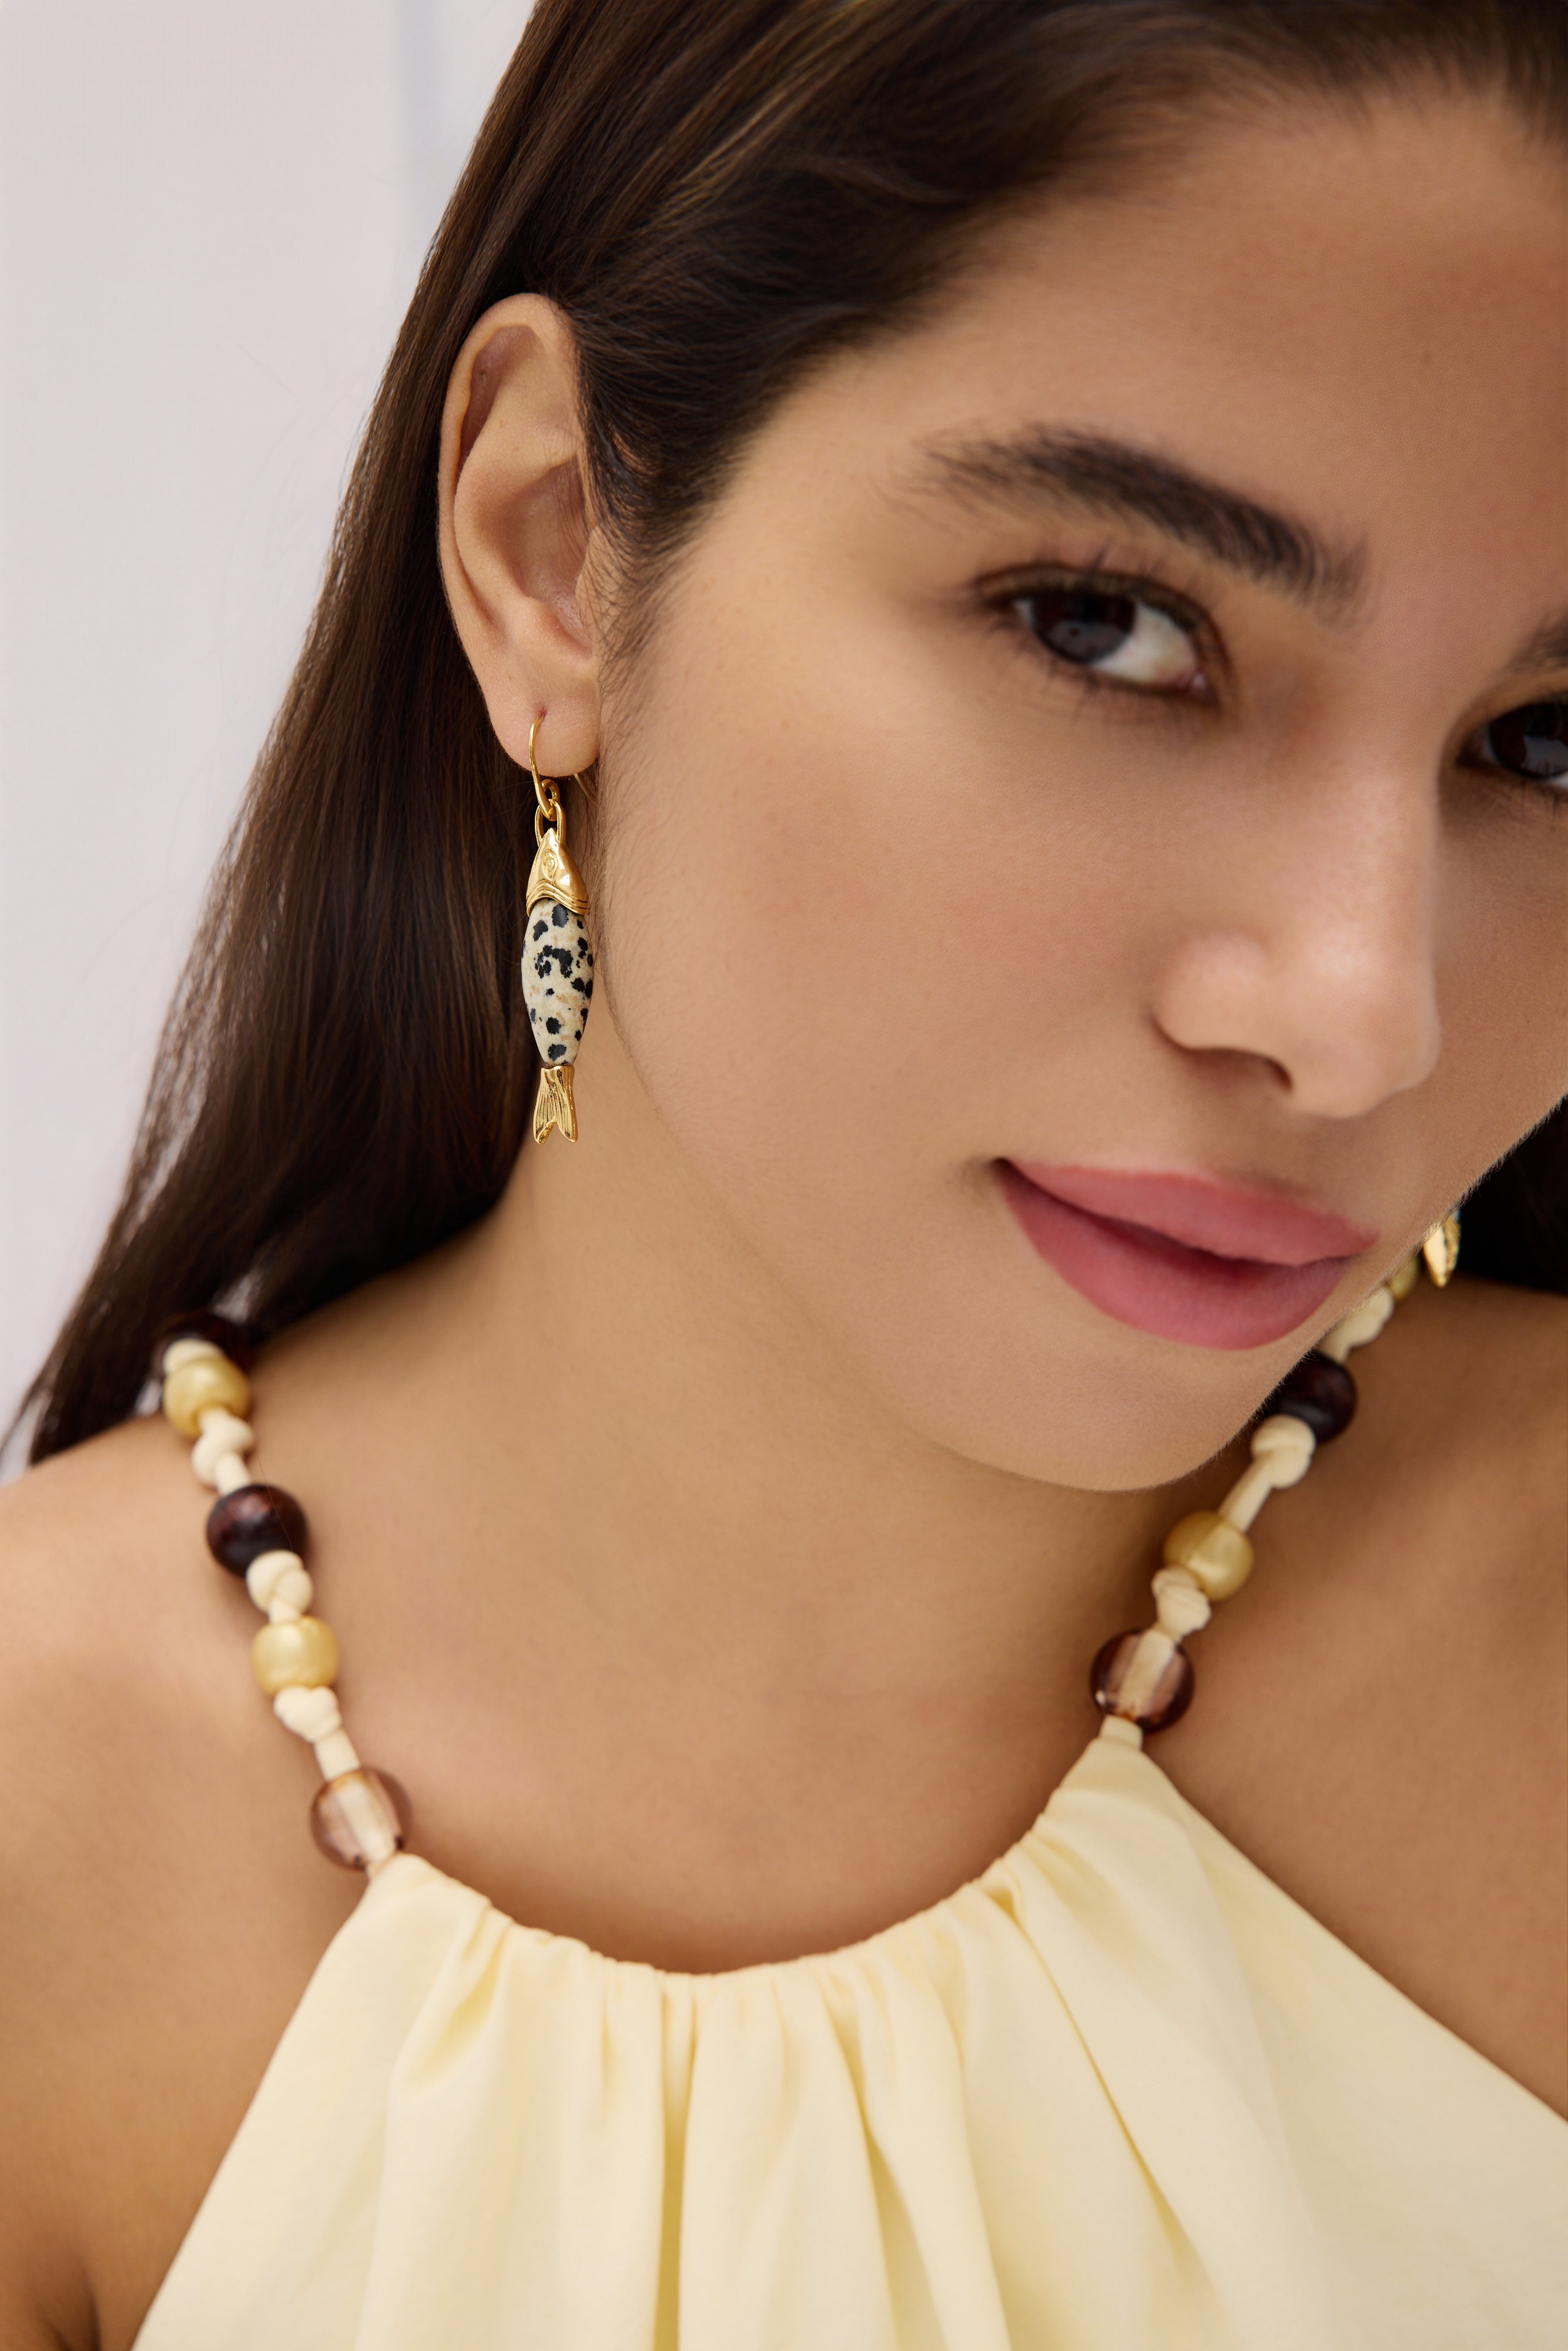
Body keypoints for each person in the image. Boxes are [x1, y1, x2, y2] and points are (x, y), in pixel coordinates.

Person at [2, 1, 1565, 2343]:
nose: (1362, 1007)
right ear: (553, 550)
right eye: (1108, 625)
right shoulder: (51, 1834)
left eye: (1546, 741)